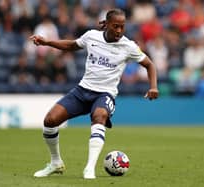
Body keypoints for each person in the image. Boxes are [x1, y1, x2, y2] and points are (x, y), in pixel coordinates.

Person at [30, 9, 159, 179]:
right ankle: (55, 162)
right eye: (115, 26)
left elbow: (150, 65)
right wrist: (47, 43)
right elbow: (71, 45)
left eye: (122, 27)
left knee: (99, 116)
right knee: (50, 121)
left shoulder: (128, 46)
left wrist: (153, 87)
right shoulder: (92, 36)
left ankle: (89, 168)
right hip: (83, 90)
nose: (119, 31)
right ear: (106, 25)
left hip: (104, 94)